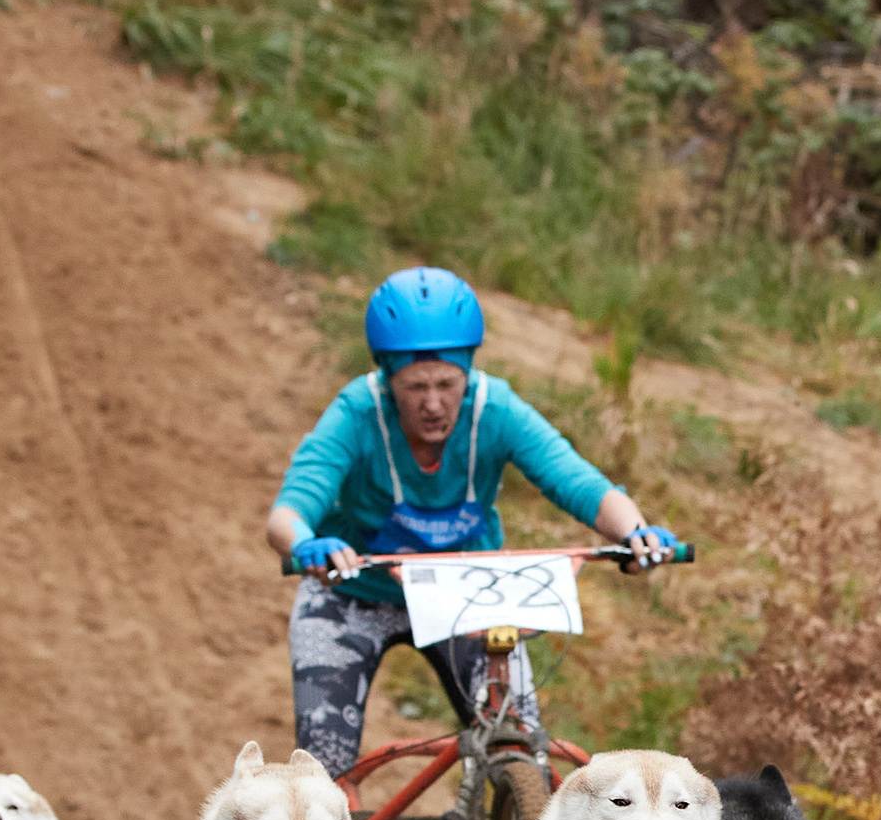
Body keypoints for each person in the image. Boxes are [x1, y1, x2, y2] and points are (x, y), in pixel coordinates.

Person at [266, 266, 681, 777]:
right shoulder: (356, 413)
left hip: (465, 592)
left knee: (522, 746)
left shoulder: (495, 409)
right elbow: (288, 513)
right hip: (352, 594)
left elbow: (578, 482)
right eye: (415, 386)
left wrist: (634, 532)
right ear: (386, 378)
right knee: (320, 769)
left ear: (469, 373)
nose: (434, 403)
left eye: (447, 383)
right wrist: (307, 544)